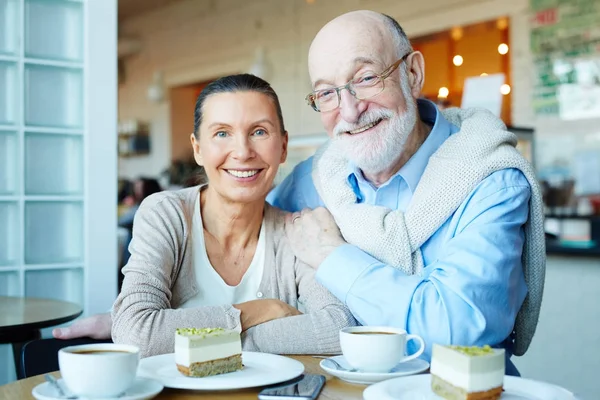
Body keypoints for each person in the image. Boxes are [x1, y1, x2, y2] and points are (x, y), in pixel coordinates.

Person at [268, 10, 545, 375]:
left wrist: (332, 256)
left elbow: (457, 334)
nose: (349, 111)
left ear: (412, 74)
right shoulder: (314, 179)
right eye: (326, 93)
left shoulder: (490, 177)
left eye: (366, 78)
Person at [56, 74, 356, 357]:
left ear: (283, 147)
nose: (242, 151)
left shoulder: (296, 232)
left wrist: (187, 337)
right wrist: (260, 311)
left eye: (259, 131)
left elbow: (338, 330)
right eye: (222, 133)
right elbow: (137, 334)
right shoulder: (166, 215)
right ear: (198, 149)